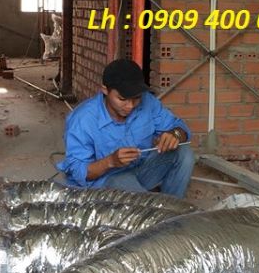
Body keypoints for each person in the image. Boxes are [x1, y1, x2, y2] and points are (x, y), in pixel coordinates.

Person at [56, 58, 194, 198]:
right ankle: (147, 207)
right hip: (103, 183)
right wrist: (110, 161)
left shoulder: (148, 102)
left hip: (139, 171)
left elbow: (179, 126)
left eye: (136, 98)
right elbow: (77, 172)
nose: (130, 105)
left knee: (183, 153)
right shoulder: (83, 119)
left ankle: (173, 205)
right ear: (105, 90)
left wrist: (175, 134)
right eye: (122, 99)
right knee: (125, 186)